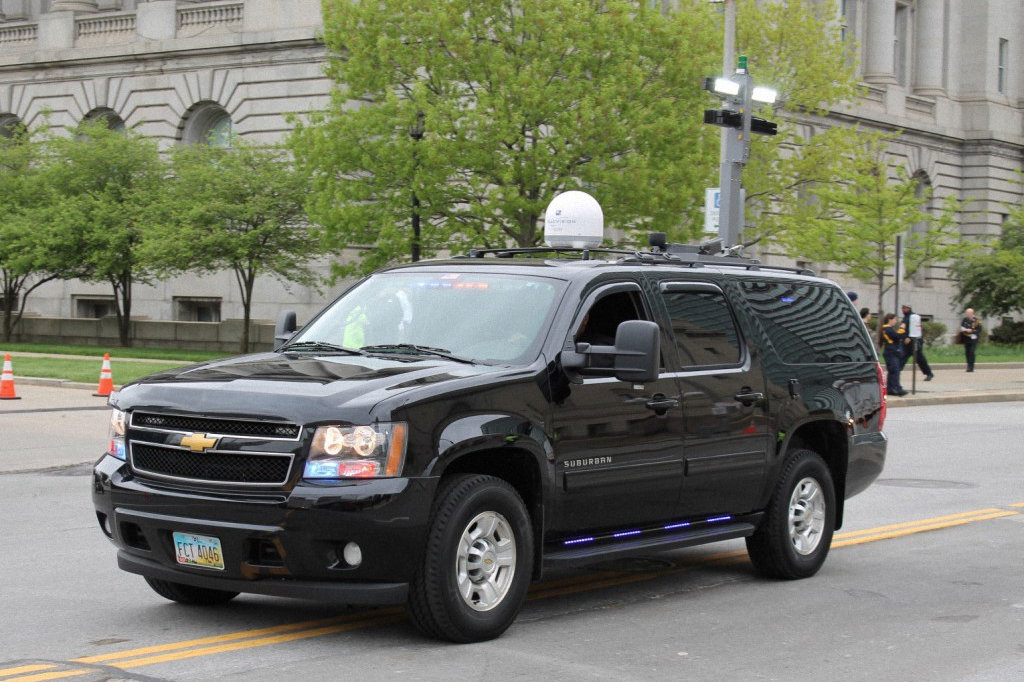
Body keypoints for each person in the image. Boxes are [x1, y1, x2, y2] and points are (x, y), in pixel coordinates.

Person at [900, 304, 934, 381]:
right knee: (902, 357)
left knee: (920, 359)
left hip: (915, 342)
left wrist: (909, 337)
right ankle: (897, 371)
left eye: (905, 308)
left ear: (909, 308)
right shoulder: (905, 318)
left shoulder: (914, 317)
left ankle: (929, 373)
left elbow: (916, 330)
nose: (903, 310)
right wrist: (904, 337)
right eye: (902, 308)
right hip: (907, 343)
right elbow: (902, 329)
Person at [880, 313, 907, 396]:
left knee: (892, 371)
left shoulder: (889, 328)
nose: (896, 321)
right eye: (895, 319)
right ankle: (897, 388)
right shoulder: (887, 329)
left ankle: (890, 389)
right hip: (891, 352)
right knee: (895, 371)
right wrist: (902, 329)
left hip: (891, 352)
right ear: (890, 320)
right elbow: (896, 337)